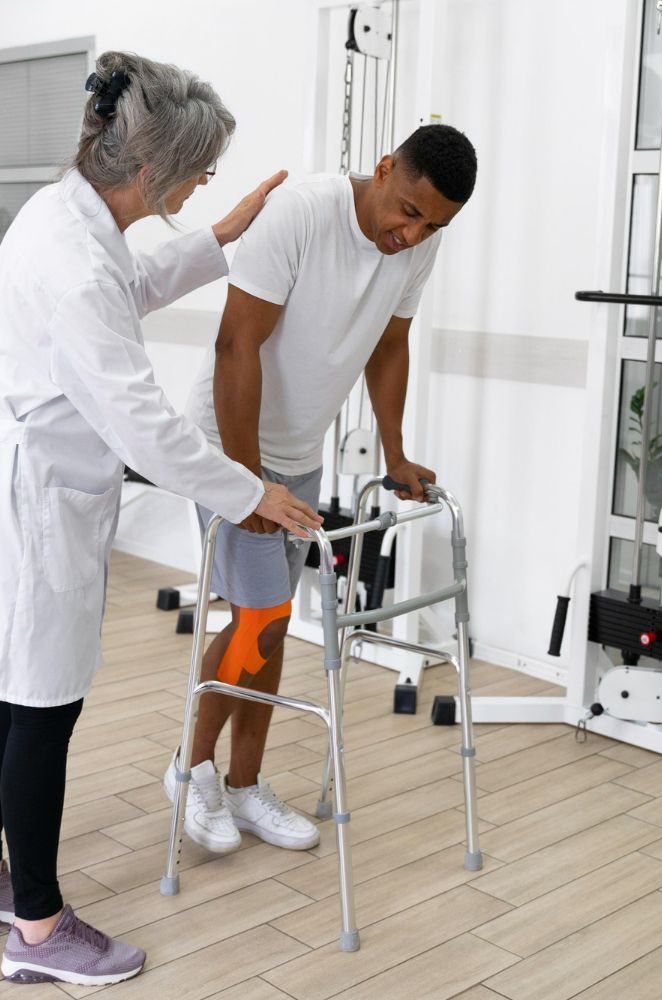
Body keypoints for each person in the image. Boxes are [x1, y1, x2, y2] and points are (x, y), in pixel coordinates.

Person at [0, 51, 322, 988]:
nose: (203, 181)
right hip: (31, 497)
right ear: (150, 171)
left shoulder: (67, 212)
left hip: (17, 478)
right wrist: (249, 490)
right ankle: (39, 927)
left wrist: (218, 234)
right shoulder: (75, 259)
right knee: (45, 706)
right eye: (199, 169)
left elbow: (123, 289)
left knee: (13, 690)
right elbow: (142, 419)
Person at [164, 124, 477, 854]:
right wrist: (248, 484)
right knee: (258, 617)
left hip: (299, 454)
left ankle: (243, 786)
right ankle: (190, 769)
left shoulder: (420, 242)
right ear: (383, 167)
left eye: (433, 224)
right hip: (226, 444)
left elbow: (390, 344)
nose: (413, 233)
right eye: (407, 210)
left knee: (271, 624)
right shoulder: (301, 213)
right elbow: (234, 345)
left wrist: (395, 452)